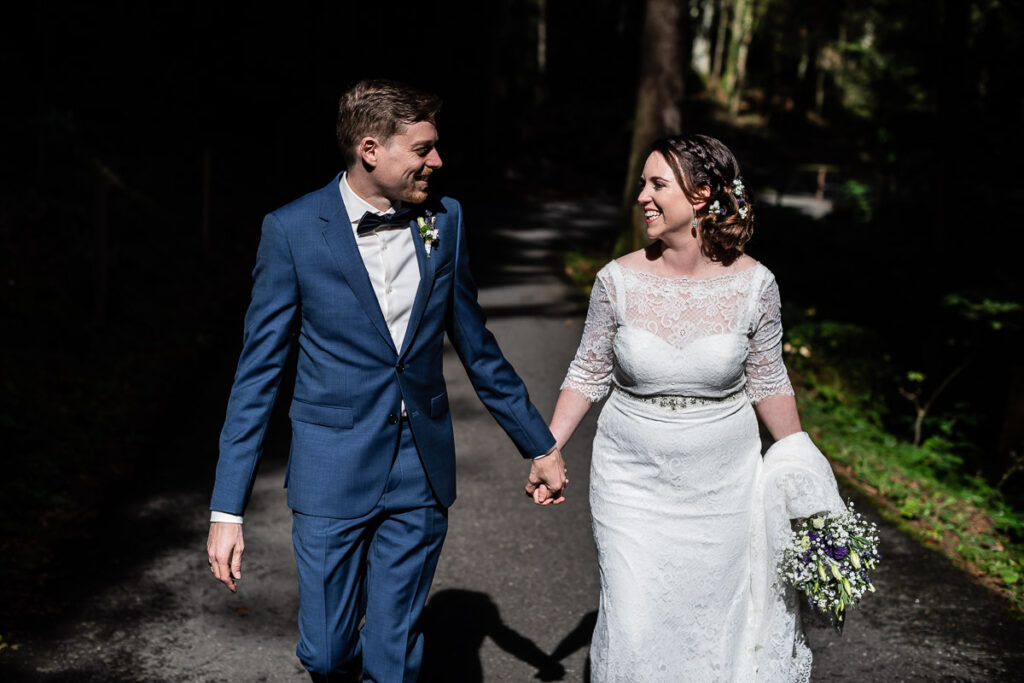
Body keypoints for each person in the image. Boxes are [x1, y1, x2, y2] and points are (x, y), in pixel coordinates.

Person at [205, 78, 568, 683]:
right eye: (423, 149)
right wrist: (227, 508)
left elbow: (479, 349)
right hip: (330, 469)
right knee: (325, 653)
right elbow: (257, 376)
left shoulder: (444, 221)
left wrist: (539, 443)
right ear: (370, 149)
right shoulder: (292, 231)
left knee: (393, 657)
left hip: (418, 471)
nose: (438, 161)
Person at [539, 134, 818, 681]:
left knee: (713, 625)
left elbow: (769, 381)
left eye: (656, 184)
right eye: (643, 182)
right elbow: (588, 372)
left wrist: (803, 473)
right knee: (634, 620)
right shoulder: (615, 280)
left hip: (722, 486)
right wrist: (546, 449)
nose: (641, 195)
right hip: (630, 481)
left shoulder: (756, 285)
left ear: (701, 194)